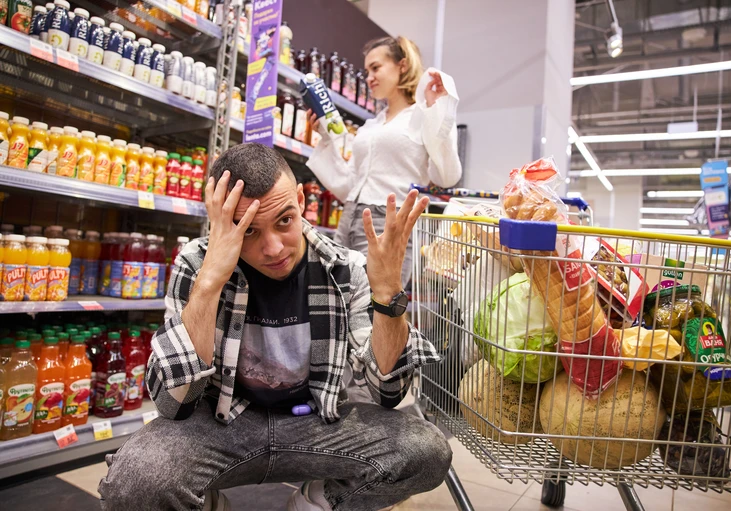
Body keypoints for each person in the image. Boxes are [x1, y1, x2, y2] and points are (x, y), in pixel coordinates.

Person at [98, 143, 452, 511]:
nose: (273, 249)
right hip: (223, 423)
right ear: (221, 222)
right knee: (134, 484)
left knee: (425, 451)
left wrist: (389, 295)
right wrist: (210, 281)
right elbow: (174, 405)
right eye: (249, 230)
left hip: (319, 422)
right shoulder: (196, 263)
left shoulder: (345, 268)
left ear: (300, 200)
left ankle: (317, 501)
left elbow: (388, 394)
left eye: (284, 220)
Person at [307, 36, 462, 288]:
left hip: (388, 220)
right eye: (367, 71)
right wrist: (325, 137)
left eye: (376, 68)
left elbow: (447, 177)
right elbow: (349, 184)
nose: (369, 77)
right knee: (337, 297)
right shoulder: (372, 124)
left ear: (402, 65)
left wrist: (438, 112)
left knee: (376, 303)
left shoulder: (423, 115)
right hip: (350, 216)